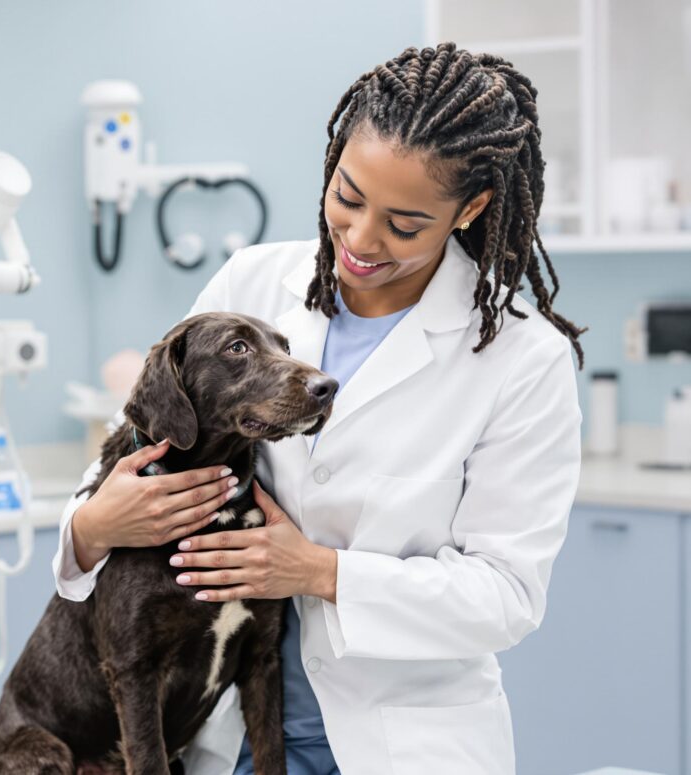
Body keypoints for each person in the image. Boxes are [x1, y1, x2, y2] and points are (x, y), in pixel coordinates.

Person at [53, 42, 584, 775]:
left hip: (404, 743)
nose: (361, 241)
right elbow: (140, 450)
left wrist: (319, 571)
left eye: (403, 225)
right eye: (348, 196)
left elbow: (506, 594)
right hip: (226, 736)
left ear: (471, 208)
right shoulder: (251, 284)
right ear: (334, 158)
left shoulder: (524, 361)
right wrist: (88, 525)